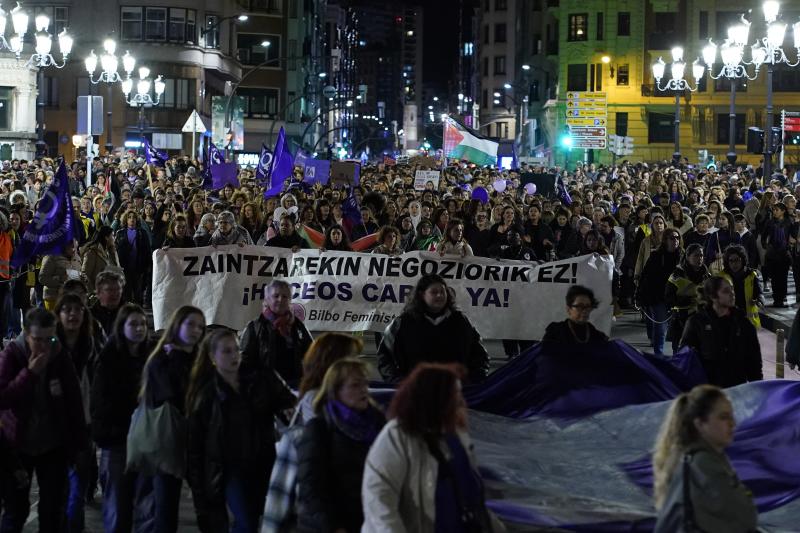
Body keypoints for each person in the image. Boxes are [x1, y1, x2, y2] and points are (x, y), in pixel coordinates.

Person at [361, 363, 504, 533]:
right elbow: (379, 500)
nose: (462, 403)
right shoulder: (397, 436)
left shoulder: (456, 436)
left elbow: (471, 496)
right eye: (455, 397)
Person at [186, 328, 295, 532]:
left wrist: (287, 409)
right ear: (212, 357)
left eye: (236, 349)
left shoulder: (258, 378)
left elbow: (285, 398)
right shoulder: (206, 394)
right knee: (247, 521)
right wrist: (198, 486)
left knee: (253, 518)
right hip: (228, 468)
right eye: (226, 351)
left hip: (260, 462)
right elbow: (195, 444)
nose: (234, 355)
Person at [0, 307, 89, 533]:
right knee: (16, 510)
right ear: (26, 335)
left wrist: (79, 447)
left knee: (52, 511)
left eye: (48, 339)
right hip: (17, 447)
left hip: (53, 445)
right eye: (37, 340)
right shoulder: (12, 355)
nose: (43, 346)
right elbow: (3, 398)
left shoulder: (59, 356)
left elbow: (74, 403)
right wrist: (29, 374)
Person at [296, 358, 385, 533]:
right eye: (355, 385)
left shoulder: (378, 424)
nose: (363, 390)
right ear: (335, 391)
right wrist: (334, 526)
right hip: (332, 525)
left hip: (369, 520)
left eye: (365, 384)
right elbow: (310, 487)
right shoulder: (319, 429)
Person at [652, 385, 757, 533]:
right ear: (700, 424)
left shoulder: (692, 459)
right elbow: (743, 518)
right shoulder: (703, 464)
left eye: (731, 417)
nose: (732, 424)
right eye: (723, 417)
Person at [140, 305, 207, 532]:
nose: (196, 330)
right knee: (166, 507)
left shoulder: (202, 359)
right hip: (168, 442)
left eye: (200, 326)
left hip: (196, 443)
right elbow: (170, 395)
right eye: (191, 324)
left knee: (207, 506)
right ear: (177, 325)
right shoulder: (162, 358)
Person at [90, 304, 153, 533]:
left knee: (146, 508)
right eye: (133, 324)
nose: (139, 329)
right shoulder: (108, 359)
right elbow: (99, 402)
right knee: (118, 506)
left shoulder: (151, 358)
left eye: (143, 324)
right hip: (117, 442)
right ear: (121, 326)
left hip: (146, 441)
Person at [377, 274, 490, 383]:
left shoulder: (460, 321)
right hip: (415, 392)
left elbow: (479, 355)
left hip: (454, 391)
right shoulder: (403, 323)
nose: (439, 295)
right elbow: (385, 356)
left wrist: (474, 380)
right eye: (434, 292)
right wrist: (396, 381)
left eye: (442, 292)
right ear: (421, 294)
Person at [680, 277, 763, 387]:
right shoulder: (697, 322)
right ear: (713, 296)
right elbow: (686, 357)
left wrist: (758, 387)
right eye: (726, 291)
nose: (732, 294)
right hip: (708, 391)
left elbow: (754, 360)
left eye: (732, 289)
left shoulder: (742, 322)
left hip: (736, 389)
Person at [240, 280, 313, 388]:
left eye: (285, 296)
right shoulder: (254, 327)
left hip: (295, 386)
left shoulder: (298, 326)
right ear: (267, 299)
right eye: (276, 296)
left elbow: (312, 353)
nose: (280, 300)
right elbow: (243, 362)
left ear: (290, 300)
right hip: (265, 388)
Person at [297, 333, 364, 422]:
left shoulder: (352, 393)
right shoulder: (315, 399)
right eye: (352, 358)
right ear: (333, 361)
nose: (357, 364)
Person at [637, 228, 682, 355]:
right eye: (672, 238)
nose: (675, 241)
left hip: (677, 297)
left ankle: (676, 356)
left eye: (677, 238)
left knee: (678, 329)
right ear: (665, 240)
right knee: (660, 329)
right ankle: (659, 357)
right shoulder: (656, 256)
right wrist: (640, 295)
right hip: (658, 297)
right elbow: (646, 276)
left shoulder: (682, 256)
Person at [665, 243, 710, 354]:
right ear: (687, 256)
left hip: (701, 319)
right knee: (680, 353)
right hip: (681, 320)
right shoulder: (677, 275)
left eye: (701, 255)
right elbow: (668, 298)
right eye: (696, 255)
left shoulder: (707, 275)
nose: (700, 258)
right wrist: (685, 301)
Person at [541, 285, 609, 344]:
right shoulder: (555, 331)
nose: (585, 310)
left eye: (588, 306)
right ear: (568, 309)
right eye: (579, 306)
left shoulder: (596, 334)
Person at [719, 245, 763, 329]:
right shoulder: (722, 277)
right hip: (728, 320)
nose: (734, 264)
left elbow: (759, 293)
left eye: (737, 260)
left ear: (742, 259)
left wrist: (759, 301)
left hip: (748, 321)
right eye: (731, 261)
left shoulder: (752, 275)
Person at [114, 209, 151, 305]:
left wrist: (147, 266)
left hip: (138, 267)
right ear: (126, 219)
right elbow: (115, 250)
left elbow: (147, 250)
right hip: (124, 267)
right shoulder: (120, 233)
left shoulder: (142, 233)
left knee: (138, 294)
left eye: (134, 217)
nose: (132, 219)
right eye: (129, 217)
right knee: (126, 293)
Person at [39, 239, 83, 310]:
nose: (74, 250)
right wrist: (60, 278)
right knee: (55, 320)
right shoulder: (51, 257)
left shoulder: (77, 258)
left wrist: (82, 277)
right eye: (71, 247)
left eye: (75, 247)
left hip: (71, 299)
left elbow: (79, 273)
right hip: (53, 298)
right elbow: (42, 278)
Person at [80, 226, 120, 293]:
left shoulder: (111, 251)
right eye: (112, 235)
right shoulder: (92, 252)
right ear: (106, 237)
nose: (114, 238)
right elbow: (85, 275)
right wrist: (93, 293)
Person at [90, 270, 127, 338]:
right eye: (110, 290)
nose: (115, 294)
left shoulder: (129, 313)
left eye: (118, 289)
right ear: (98, 292)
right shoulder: (89, 316)